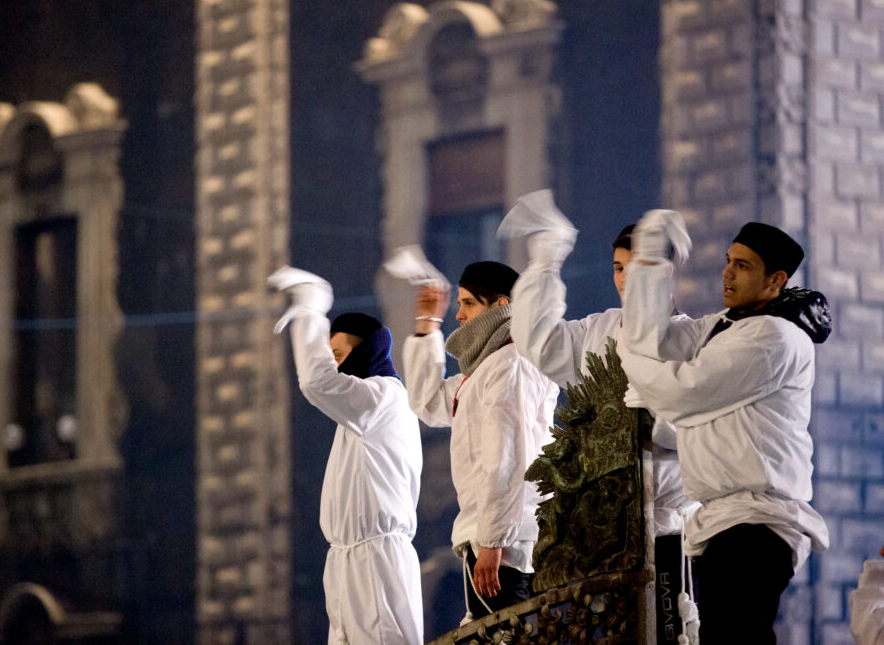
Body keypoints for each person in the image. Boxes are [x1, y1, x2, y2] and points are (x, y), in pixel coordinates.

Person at [617, 217, 831, 643]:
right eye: (728, 261)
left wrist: (641, 374)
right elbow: (653, 340)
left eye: (744, 265)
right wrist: (653, 267)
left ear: (776, 280)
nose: (727, 272)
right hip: (721, 522)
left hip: (758, 522)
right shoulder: (723, 326)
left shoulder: (776, 337)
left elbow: (684, 390)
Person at [506, 208, 700, 645]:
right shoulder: (598, 329)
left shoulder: (689, 338)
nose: (625, 277)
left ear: (664, 272)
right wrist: (545, 262)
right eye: (617, 267)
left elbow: (701, 427)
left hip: (664, 524)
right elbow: (537, 342)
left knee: (665, 633)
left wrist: (655, 422)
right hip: (600, 528)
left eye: (637, 266)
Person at [269, 267, 423, 645]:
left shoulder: (381, 398)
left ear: (365, 351)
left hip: (374, 561)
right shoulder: (360, 414)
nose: (334, 365)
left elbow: (317, 381)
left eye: (337, 354)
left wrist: (310, 307)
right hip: (346, 563)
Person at [403, 261, 558, 621]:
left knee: (503, 634)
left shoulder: (511, 364)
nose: (458, 314)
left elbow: (506, 458)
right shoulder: (484, 371)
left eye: (469, 303)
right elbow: (427, 404)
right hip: (491, 533)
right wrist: (428, 326)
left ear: (500, 305)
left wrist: (493, 541)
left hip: (506, 537)